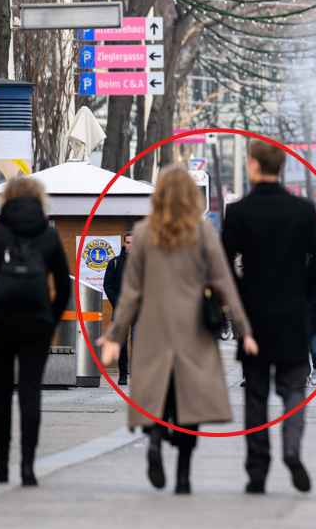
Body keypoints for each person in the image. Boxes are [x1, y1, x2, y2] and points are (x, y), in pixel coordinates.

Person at [101, 167, 256, 494]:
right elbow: (226, 282)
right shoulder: (202, 233)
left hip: (153, 326)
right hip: (194, 328)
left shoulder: (143, 234)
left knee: (158, 391)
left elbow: (130, 291)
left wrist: (115, 336)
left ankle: (156, 438)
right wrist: (245, 330)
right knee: (191, 399)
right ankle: (183, 475)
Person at [221, 139, 316, 493]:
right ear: (281, 167)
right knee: (294, 389)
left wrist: (239, 297)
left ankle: (257, 470)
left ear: (252, 165)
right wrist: (301, 292)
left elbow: (223, 266)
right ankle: (293, 448)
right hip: (292, 315)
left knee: (256, 395)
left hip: (253, 317)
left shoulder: (238, 212)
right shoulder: (303, 209)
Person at [0, 176, 73, 485]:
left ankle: (2, 463)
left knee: (1, 392)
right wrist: (49, 319)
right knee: (30, 390)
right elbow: (64, 287)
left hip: (0, 323)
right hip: (37, 324)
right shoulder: (49, 237)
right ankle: (27, 465)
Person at [102, 231, 133, 384]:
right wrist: (116, 302)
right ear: (124, 244)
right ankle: (123, 373)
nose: (131, 245)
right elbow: (108, 285)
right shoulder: (115, 262)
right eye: (128, 242)